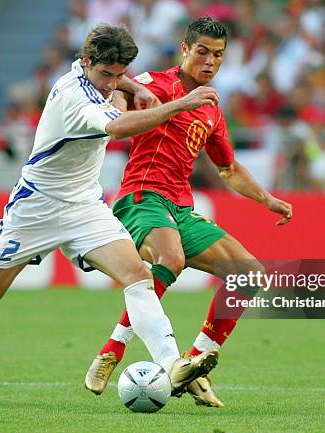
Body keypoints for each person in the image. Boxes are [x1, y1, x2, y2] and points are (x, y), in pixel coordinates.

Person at [0, 24, 223, 404]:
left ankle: (171, 364)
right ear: (86, 63)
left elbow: (118, 84)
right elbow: (117, 128)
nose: (111, 83)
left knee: (138, 275)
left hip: (85, 205)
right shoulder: (73, 96)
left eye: (119, 75)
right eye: (106, 75)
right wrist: (178, 103)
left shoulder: (97, 73)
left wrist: (133, 87)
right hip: (35, 208)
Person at [84, 17, 293, 407]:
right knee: (171, 258)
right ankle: (111, 349)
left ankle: (194, 363)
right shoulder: (152, 83)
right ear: (185, 49)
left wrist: (267, 199)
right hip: (141, 197)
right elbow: (115, 115)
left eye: (218, 55)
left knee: (248, 273)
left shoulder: (212, 110)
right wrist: (122, 96)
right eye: (202, 52)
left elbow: (228, 168)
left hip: (180, 207)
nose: (210, 62)